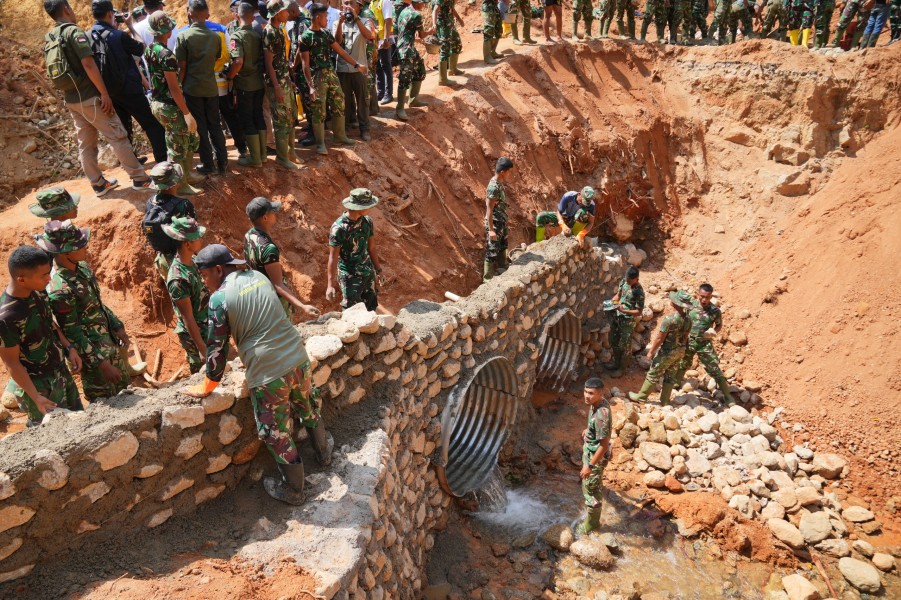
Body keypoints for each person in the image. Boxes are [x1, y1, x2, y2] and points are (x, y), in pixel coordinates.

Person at [183, 244, 333, 505]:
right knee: (307, 405)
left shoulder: (220, 299)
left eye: (205, 275)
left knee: (276, 432)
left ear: (218, 270)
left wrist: (208, 385)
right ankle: (324, 453)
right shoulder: (258, 277)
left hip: (268, 372)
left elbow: (216, 349)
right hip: (298, 357)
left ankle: (295, 491)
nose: (205, 282)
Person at [42, 0, 151, 197]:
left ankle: (98, 184)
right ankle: (140, 178)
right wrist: (104, 93)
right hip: (90, 98)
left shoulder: (50, 36)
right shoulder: (73, 32)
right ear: (67, 9)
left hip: (72, 100)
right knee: (117, 135)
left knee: (86, 143)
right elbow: (88, 63)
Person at [36, 220, 132, 401]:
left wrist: (117, 326)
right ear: (67, 252)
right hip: (94, 360)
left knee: (127, 394)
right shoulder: (60, 289)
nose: (86, 247)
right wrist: (102, 364)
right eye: (81, 245)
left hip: (109, 344)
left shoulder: (83, 268)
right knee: (106, 406)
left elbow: (97, 304)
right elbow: (72, 333)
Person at [0, 246, 83, 427]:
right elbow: (11, 363)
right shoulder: (7, 318)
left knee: (79, 424)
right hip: (39, 386)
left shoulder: (37, 290)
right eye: (44, 275)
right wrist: (36, 397)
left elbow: (49, 322)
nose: (49, 278)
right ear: (21, 279)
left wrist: (69, 348)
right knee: (51, 437)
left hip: (60, 372)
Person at [90, 0, 168, 164]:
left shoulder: (88, 36)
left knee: (124, 128)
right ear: (110, 14)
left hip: (109, 92)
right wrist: (131, 26)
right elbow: (142, 47)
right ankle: (163, 160)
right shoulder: (119, 35)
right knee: (152, 124)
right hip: (130, 90)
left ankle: (131, 162)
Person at [145, 11, 203, 196]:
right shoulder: (166, 55)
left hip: (157, 103)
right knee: (178, 145)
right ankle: (181, 184)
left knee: (184, 138)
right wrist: (186, 112)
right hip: (170, 105)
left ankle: (186, 175)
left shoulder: (149, 49)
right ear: (168, 31)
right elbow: (173, 87)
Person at [299, 3, 369, 154]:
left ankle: (339, 136)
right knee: (319, 109)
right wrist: (310, 86)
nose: (327, 19)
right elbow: (305, 64)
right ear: (317, 18)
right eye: (325, 17)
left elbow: (341, 51)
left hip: (331, 73)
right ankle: (320, 143)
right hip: (317, 77)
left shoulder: (325, 34)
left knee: (339, 101)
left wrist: (357, 65)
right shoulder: (305, 38)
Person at [244, 197, 321, 319]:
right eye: (272, 212)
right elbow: (277, 285)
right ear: (265, 217)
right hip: (273, 301)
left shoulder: (250, 235)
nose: (275, 214)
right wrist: (303, 307)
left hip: (258, 294)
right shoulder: (268, 249)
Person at [176, 0, 229, 175]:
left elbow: (182, 67)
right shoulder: (215, 37)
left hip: (193, 88)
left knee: (201, 127)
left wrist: (179, 87)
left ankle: (208, 165)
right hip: (211, 87)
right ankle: (223, 163)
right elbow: (216, 58)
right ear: (207, 14)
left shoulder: (183, 36)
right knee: (215, 125)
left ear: (189, 14)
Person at [672, 284, 734, 405]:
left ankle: (727, 396)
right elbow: (682, 318)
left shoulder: (715, 311)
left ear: (711, 296)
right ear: (698, 294)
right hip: (689, 340)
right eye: (702, 296)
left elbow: (719, 324)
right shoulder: (690, 306)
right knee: (683, 362)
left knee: (714, 367)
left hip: (704, 343)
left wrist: (713, 332)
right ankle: (676, 383)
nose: (704, 300)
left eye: (707, 297)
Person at [162, 216, 210, 374]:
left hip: (205, 324)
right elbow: (187, 317)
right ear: (188, 243)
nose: (201, 240)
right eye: (197, 238)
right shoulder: (178, 279)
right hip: (195, 335)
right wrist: (202, 349)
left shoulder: (194, 260)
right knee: (202, 372)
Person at [628, 290, 693, 404]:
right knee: (670, 375)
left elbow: (659, 338)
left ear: (676, 303)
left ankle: (641, 397)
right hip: (679, 351)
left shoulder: (669, 319)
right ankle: (665, 401)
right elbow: (686, 336)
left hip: (667, 351)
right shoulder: (689, 319)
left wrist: (651, 352)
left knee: (653, 373)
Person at [262, 0, 303, 168]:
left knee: (291, 116)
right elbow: (268, 63)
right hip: (276, 83)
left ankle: (291, 152)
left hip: (285, 80)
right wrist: (277, 87)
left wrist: (290, 80)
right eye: (285, 11)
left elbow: (283, 59)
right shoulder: (270, 32)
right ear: (278, 13)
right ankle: (282, 157)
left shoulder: (280, 30)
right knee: (281, 120)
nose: (288, 13)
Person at [326, 188, 383, 311]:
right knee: (351, 312)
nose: (371, 208)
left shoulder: (367, 221)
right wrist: (330, 285)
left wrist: (378, 270)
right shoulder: (339, 228)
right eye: (369, 205)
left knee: (371, 309)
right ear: (359, 207)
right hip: (350, 277)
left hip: (367, 272)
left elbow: (371, 247)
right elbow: (333, 257)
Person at [143, 161, 198, 280]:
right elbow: (193, 235)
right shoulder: (183, 205)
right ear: (175, 183)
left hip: (163, 261)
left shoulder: (149, 203)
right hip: (184, 260)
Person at [227, 2, 267, 167]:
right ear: (252, 16)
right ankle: (263, 155)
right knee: (258, 115)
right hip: (259, 81)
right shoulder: (259, 34)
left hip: (244, 83)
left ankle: (255, 158)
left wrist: (230, 76)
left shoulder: (236, 37)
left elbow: (238, 61)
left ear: (237, 15)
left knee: (247, 118)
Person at [334, 0, 376, 140]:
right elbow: (337, 42)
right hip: (342, 68)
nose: (348, 6)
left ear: (359, 6)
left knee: (363, 100)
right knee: (344, 101)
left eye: (352, 3)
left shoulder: (365, 21)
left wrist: (356, 18)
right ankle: (344, 129)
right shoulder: (337, 22)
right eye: (346, 3)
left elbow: (369, 36)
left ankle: (365, 129)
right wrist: (340, 23)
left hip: (360, 69)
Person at [576, 377, 611, 535]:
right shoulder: (597, 404)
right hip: (591, 448)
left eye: (591, 393)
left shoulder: (601, 416)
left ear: (600, 393)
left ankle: (592, 523)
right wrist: (588, 430)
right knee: (593, 484)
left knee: (590, 490)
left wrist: (589, 466)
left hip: (595, 456)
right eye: (585, 391)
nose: (586, 396)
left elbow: (604, 445)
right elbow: (596, 427)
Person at [603, 266, 644, 378]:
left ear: (637, 279)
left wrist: (624, 310)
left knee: (625, 345)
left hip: (628, 321)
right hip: (617, 316)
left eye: (630, 281)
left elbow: (638, 312)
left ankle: (622, 369)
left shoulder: (639, 292)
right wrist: (612, 302)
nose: (628, 282)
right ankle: (616, 363)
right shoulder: (624, 282)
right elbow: (619, 294)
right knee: (613, 340)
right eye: (627, 280)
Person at [394, 0, 432, 121]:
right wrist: (431, 31)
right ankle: (400, 108)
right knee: (405, 77)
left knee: (420, 71)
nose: (424, 6)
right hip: (406, 49)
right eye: (423, 3)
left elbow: (405, 31)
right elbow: (421, 34)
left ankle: (413, 100)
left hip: (406, 46)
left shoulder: (404, 10)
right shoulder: (417, 15)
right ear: (417, 3)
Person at [483, 157, 514, 282]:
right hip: (494, 222)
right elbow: (489, 209)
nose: (509, 174)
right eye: (509, 171)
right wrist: (491, 230)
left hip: (501, 220)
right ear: (502, 172)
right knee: (492, 250)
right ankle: (487, 279)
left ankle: (504, 266)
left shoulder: (499, 184)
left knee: (503, 245)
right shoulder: (493, 187)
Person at [432, 0, 465, 86]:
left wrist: (459, 19)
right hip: (443, 25)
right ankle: (442, 79)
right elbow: (435, 10)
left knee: (457, 44)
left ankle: (452, 69)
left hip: (450, 24)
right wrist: (434, 24)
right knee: (444, 49)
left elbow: (451, 8)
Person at [371, 0, 395, 104]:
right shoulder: (372, 3)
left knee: (385, 65)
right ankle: (380, 93)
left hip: (383, 39)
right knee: (378, 66)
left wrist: (386, 39)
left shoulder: (384, 1)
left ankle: (388, 94)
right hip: (375, 39)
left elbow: (388, 20)